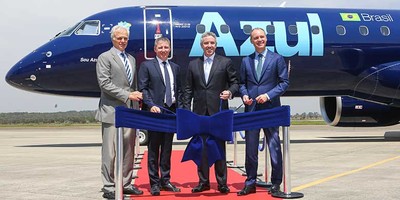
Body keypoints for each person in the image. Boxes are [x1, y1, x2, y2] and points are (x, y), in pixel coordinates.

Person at [183, 31, 239, 194]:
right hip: (199, 112)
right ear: (201, 45)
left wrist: (230, 92)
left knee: (219, 147)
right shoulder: (193, 64)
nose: (209, 46)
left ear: (215, 45)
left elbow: (235, 82)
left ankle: (222, 182)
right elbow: (188, 89)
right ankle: (203, 181)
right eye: (206, 43)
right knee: (201, 147)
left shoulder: (225, 62)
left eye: (212, 43)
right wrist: (187, 110)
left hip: (219, 112)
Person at [237, 28, 289, 196]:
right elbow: (242, 83)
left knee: (274, 146)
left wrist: (267, 95)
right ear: (251, 41)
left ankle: (275, 183)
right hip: (251, 109)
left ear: (266, 39)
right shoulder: (246, 61)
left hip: (270, 108)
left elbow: (283, 83)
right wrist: (244, 95)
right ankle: (250, 182)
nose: (259, 40)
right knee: (250, 148)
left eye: (262, 37)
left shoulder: (277, 59)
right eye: (256, 38)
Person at [95, 23, 144, 199]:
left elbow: (134, 85)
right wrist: (128, 95)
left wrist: (136, 105)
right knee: (110, 152)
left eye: (125, 38)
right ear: (113, 39)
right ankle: (109, 185)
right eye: (119, 38)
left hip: (129, 112)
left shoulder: (131, 59)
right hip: (111, 111)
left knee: (128, 151)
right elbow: (105, 84)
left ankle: (125, 183)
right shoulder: (104, 57)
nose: (122, 41)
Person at [138, 37, 182, 196]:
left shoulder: (175, 67)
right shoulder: (147, 66)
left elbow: (179, 91)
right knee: (154, 149)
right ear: (155, 49)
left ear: (170, 49)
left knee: (167, 149)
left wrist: (180, 110)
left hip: (170, 112)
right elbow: (143, 89)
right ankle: (154, 183)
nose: (164, 50)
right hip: (155, 113)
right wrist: (151, 105)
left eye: (166, 47)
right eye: (161, 47)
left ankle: (165, 180)